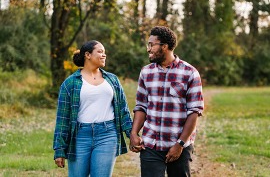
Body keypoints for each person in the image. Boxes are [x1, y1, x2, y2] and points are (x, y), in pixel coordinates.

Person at [129, 26, 204, 177]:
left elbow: (194, 112)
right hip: (151, 145)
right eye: (148, 44)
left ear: (164, 46)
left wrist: (180, 144)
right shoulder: (146, 72)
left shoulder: (190, 73)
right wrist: (134, 133)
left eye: (152, 44)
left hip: (179, 145)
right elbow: (141, 106)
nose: (148, 49)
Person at [53, 40, 133, 177]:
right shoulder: (70, 83)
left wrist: (132, 134)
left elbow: (123, 110)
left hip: (107, 135)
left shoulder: (112, 80)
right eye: (100, 52)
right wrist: (59, 149)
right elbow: (62, 119)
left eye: (105, 52)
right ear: (88, 55)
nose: (104, 55)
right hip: (80, 137)